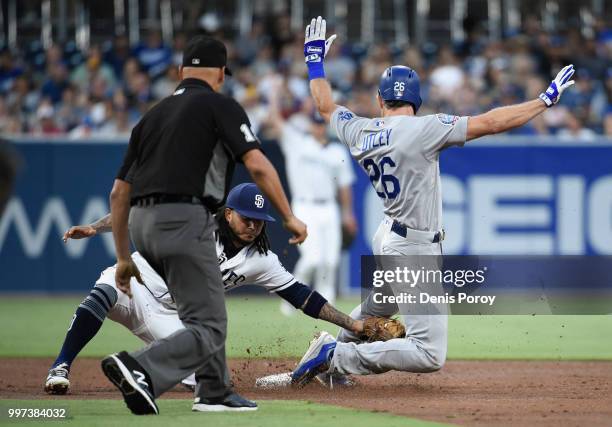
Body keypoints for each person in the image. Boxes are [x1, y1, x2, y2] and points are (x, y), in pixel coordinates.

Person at [291, 16, 576, 385]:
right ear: (416, 101)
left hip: (389, 235)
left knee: (380, 307)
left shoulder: (359, 129)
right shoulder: (426, 128)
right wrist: (544, 100)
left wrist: (314, 60)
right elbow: (490, 123)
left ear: (380, 100)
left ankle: (334, 348)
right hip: (413, 245)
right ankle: (337, 357)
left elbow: (326, 106)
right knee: (428, 352)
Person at [105, 35, 307, 415]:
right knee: (211, 325)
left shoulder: (151, 116)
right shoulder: (220, 106)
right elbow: (259, 165)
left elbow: (119, 193)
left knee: (205, 311)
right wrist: (288, 217)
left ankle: (213, 390)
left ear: (182, 72)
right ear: (219, 74)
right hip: (186, 218)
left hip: (141, 224)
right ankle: (141, 368)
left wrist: (122, 256)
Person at [45, 183, 361, 395]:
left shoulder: (261, 260)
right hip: (136, 285)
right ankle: (61, 365)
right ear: (228, 213)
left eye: (259, 221)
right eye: (247, 218)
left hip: (171, 317)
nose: (253, 226)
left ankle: (298, 374)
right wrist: (94, 228)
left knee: (211, 382)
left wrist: (354, 324)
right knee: (104, 291)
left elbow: (302, 296)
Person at [266, 79, 357, 310]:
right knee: (313, 259)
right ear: (310, 125)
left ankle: (327, 306)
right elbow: (276, 122)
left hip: (329, 207)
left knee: (330, 261)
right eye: (315, 124)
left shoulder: (337, 150)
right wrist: (274, 96)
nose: (318, 128)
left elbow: (344, 186)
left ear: (324, 126)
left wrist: (347, 213)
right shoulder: (297, 143)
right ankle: (291, 300)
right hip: (305, 206)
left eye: (320, 124)